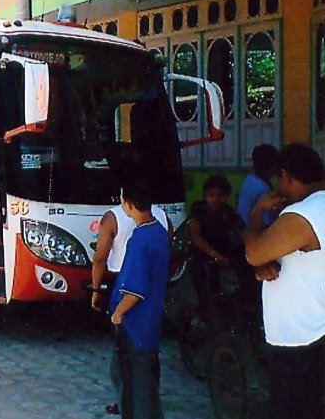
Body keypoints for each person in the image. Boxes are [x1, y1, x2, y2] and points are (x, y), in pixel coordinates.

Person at [244, 143, 325, 419]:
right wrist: (267, 265)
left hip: (302, 340)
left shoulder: (303, 214)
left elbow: (253, 252)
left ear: (287, 176)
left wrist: (257, 211)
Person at [92, 199, 171, 416]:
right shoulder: (160, 228)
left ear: (128, 204)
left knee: (133, 380)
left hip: (135, 320)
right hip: (152, 317)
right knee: (146, 376)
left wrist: (118, 312)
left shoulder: (140, 238)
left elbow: (136, 288)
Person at [187, 174, 249, 304]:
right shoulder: (198, 211)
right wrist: (215, 255)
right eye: (211, 195)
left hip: (226, 263)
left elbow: (243, 234)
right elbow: (196, 236)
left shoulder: (230, 214)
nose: (216, 199)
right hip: (203, 263)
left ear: (226, 196)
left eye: (220, 195)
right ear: (206, 195)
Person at [237, 143, 278, 226]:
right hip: (252, 228)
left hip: (240, 224)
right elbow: (266, 220)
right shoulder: (263, 188)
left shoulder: (249, 179)